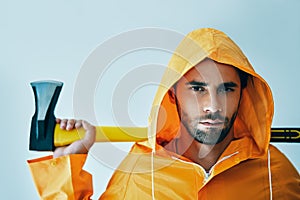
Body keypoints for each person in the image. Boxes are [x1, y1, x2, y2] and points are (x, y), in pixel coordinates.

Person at [28, 28, 300, 199]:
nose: (213, 106)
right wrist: (66, 168)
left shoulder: (275, 174)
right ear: (172, 95)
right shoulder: (138, 176)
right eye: (198, 88)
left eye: (227, 89)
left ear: (244, 94)